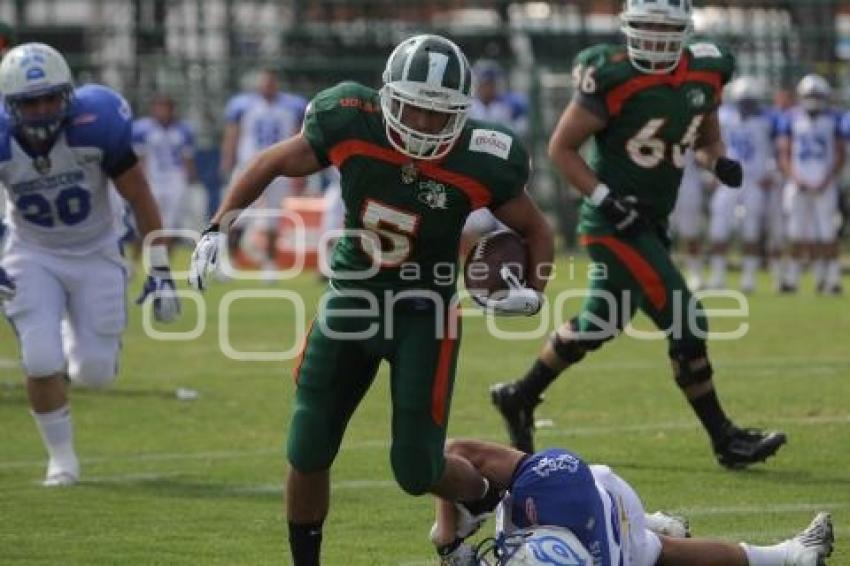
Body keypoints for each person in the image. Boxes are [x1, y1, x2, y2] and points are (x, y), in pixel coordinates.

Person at [188, 34, 554, 566]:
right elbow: (270, 161)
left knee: (416, 469)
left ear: (460, 114)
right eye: (413, 108)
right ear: (387, 97)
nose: (423, 124)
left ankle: (483, 496)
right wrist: (217, 226)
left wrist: (533, 291)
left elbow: (536, 229)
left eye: (438, 113)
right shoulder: (349, 120)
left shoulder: (483, 157)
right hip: (352, 299)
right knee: (307, 447)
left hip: (424, 314)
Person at [490, 0, 787, 469]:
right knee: (687, 320)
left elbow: (706, 138)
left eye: (663, 27)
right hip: (613, 225)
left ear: (683, 31)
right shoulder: (611, 73)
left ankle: (518, 395)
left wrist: (717, 162)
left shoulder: (706, 70)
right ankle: (724, 438)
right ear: (628, 27)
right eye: (644, 26)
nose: (652, 36)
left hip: (652, 222)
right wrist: (606, 199)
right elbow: (561, 149)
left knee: (598, 322)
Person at [0, 43, 180, 486]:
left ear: (68, 95)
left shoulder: (96, 122)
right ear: (11, 104)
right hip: (31, 251)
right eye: (30, 102)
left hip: (97, 250)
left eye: (50, 99)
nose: (42, 111)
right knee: (41, 359)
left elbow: (138, 194)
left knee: (94, 374)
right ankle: (61, 459)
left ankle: (71, 334)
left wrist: (158, 270)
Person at [430, 439, 834, 566]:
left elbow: (451, 452)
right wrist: (450, 534)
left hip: (609, 513)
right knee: (662, 548)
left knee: (662, 549)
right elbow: (458, 450)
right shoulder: (555, 484)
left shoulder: (555, 486)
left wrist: (450, 541)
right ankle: (788, 556)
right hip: (613, 521)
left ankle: (788, 555)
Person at [219, 68, 307, 278]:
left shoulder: (292, 106)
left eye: (271, 82)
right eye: (264, 82)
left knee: (273, 218)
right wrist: (227, 162)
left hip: (280, 169)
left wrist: (299, 173)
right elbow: (233, 135)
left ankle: (269, 263)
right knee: (236, 214)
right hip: (248, 166)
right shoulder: (242, 105)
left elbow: (299, 136)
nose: (268, 86)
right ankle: (228, 261)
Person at [707, 76, 779, 293]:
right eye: (743, 101)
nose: (746, 106)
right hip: (728, 180)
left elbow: (777, 148)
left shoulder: (767, 120)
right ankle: (718, 275)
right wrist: (713, 171)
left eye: (749, 101)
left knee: (751, 230)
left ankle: (749, 278)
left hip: (754, 181)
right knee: (719, 227)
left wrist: (771, 172)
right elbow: (713, 144)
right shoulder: (724, 116)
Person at [776, 74, 846, 295]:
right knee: (795, 233)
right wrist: (795, 177)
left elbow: (840, 153)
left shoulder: (835, 119)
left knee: (827, 234)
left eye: (817, 95)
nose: (813, 99)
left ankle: (831, 278)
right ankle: (792, 278)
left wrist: (827, 178)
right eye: (810, 95)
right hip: (799, 182)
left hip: (824, 182)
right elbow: (784, 153)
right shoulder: (790, 118)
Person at [460, 59, 530, 256]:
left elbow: (522, 140)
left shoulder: (511, 105)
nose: (488, 87)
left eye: (491, 83)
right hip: (475, 173)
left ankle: (510, 265)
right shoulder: (468, 107)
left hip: (504, 173)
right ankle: (469, 268)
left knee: (513, 226)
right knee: (469, 225)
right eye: (484, 83)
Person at [132, 93, 197, 251]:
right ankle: (136, 256)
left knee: (170, 223)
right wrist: (140, 182)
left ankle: (163, 261)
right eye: (159, 108)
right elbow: (140, 158)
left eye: (165, 108)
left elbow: (187, 158)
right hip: (153, 179)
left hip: (175, 180)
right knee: (147, 220)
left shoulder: (183, 130)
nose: (162, 112)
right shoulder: (142, 129)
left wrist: (190, 177)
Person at [670, 150, 707, 290]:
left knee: (690, 232)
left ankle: (695, 274)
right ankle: (662, 274)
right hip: (660, 181)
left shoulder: (692, 128)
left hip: (688, 181)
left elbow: (703, 153)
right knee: (660, 233)